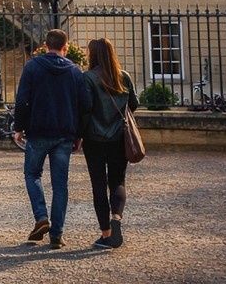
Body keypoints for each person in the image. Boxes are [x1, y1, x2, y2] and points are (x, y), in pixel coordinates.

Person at [13, 29, 91, 249]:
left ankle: (41, 217)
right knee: (60, 185)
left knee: (32, 174)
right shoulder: (75, 72)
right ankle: (56, 235)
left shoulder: (32, 67)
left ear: (45, 45)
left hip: (38, 131)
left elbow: (22, 101)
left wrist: (19, 128)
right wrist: (80, 135)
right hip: (64, 134)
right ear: (65, 47)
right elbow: (84, 107)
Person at [79, 37, 140, 250]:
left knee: (98, 185)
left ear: (92, 55)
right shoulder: (123, 76)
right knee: (118, 181)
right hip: (118, 138)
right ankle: (117, 218)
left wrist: (78, 135)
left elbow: (85, 110)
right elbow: (133, 104)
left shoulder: (87, 78)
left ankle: (106, 233)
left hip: (94, 139)